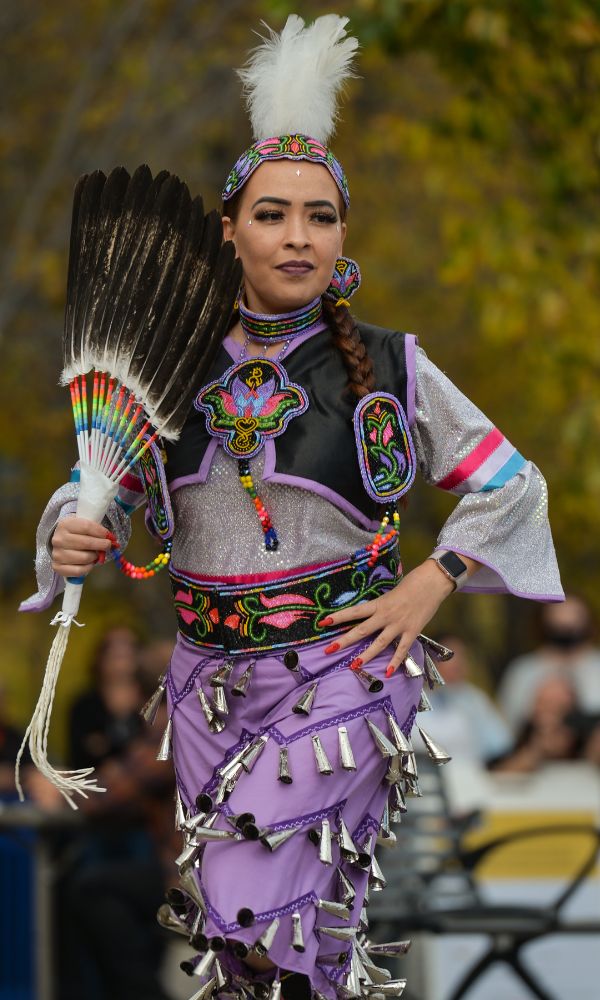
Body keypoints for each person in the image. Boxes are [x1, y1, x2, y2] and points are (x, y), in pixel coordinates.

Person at [21, 14, 563, 1000]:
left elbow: (511, 483)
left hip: (344, 677)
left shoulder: (393, 367)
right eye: (272, 214)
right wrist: (70, 527)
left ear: (343, 234)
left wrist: (429, 587)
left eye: (320, 215)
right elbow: (100, 491)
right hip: (207, 690)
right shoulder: (166, 372)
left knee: (244, 898)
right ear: (228, 230)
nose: (298, 235)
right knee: (268, 954)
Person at [498, 593, 600, 734]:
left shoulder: (596, 667)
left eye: (575, 616)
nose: (566, 623)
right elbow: (508, 726)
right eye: (558, 617)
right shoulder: (523, 671)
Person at [419, 634, 513, 766]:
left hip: (470, 779)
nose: (457, 664)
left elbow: (500, 746)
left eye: (462, 657)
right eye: (448, 657)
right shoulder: (410, 698)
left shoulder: (475, 700)